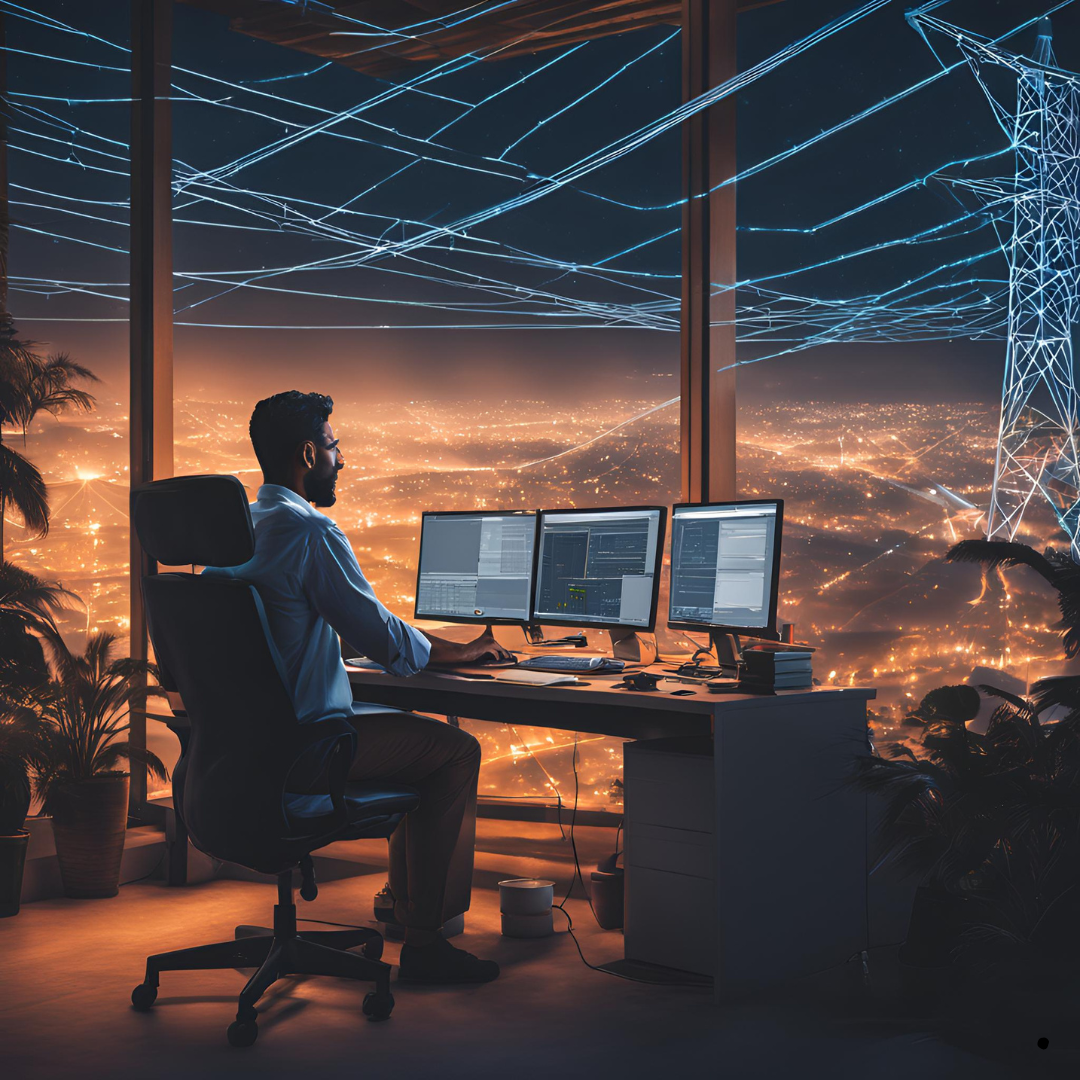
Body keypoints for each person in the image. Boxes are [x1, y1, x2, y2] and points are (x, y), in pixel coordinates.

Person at [203, 390, 512, 984]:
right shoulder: (309, 531)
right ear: (307, 451)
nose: (341, 460)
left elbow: (267, 633)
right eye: (335, 447)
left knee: (409, 736)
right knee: (454, 752)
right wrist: (466, 650)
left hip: (236, 756)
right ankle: (425, 942)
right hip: (305, 752)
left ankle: (403, 904)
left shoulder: (229, 539)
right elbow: (389, 639)